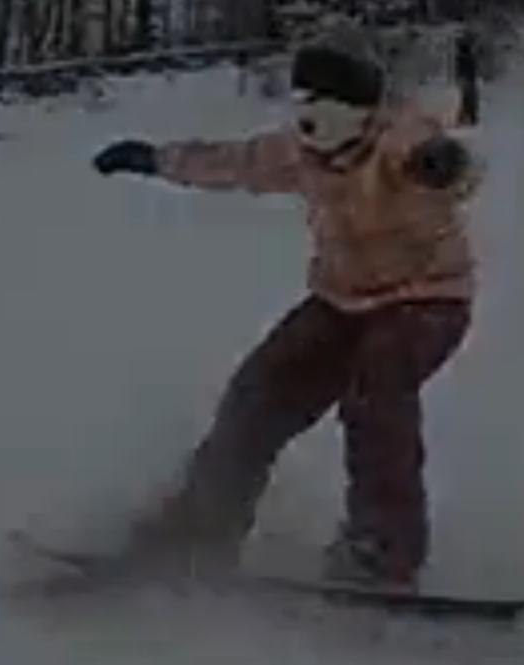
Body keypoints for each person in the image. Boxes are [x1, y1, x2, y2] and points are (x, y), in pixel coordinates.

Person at [89, 27, 483, 589]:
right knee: (258, 393)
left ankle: (382, 552)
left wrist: (445, 165)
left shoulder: (400, 140)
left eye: (319, 105)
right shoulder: (298, 154)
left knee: (377, 390)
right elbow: (231, 162)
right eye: (300, 104)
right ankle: (197, 533)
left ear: (356, 109)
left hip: (427, 300)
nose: (306, 120)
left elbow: (457, 166)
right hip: (340, 302)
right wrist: (155, 159)